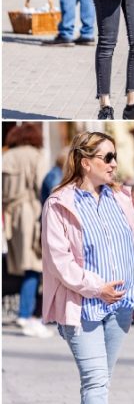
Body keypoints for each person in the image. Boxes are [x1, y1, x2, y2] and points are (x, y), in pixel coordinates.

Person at [40, 131, 134, 404]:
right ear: (86, 162)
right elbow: (59, 262)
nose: (113, 164)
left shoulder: (119, 198)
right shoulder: (59, 204)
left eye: (115, 157)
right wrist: (98, 287)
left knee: (101, 381)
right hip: (83, 306)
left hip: (120, 306)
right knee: (95, 381)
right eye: (107, 157)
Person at [2, 123, 52, 338]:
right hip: (30, 213)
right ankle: (27, 315)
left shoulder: (7, 156)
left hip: (10, 214)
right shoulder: (35, 155)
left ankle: (26, 313)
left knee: (22, 266)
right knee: (34, 265)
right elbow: (42, 186)